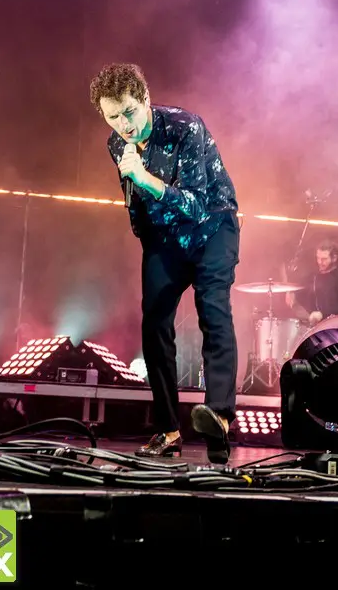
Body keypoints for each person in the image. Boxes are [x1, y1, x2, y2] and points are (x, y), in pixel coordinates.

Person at [90, 63, 241, 464]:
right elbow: (135, 199)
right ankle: (168, 429)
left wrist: (144, 178)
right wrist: (147, 237)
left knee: (213, 308)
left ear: (145, 100)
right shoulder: (116, 143)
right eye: (112, 116)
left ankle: (219, 417)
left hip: (212, 227)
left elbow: (195, 204)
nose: (123, 124)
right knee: (154, 321)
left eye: (129, 112)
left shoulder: (185, 127)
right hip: (165, 236)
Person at [285, 240, 338, 325]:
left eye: (324, 259)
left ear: (334, 258)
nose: (319, 262)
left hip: (336, 325)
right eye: (318, 258)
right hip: (315, 325)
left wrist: (323, 314)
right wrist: (292, 292)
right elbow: (300, 288)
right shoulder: (313, 275)